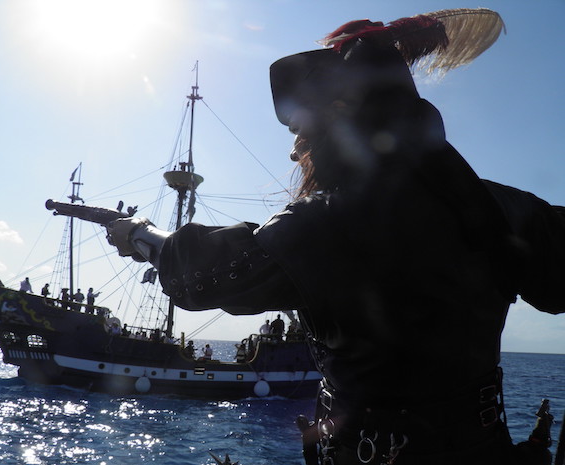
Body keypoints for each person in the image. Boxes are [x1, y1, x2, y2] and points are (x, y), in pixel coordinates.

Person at [106, 9, 565, 465]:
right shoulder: (505, 208)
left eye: (302, 130)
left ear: (343, 117)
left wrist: (141, 234)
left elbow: (208, 272)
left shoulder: (324, 224)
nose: (294, 149)